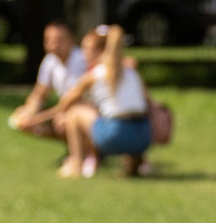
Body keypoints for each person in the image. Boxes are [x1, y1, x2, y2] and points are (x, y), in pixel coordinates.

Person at [57, 24, 154, 178]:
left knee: (74, 113)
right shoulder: (131, 72)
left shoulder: (96, 74)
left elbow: (67, 101)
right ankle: (136, 165)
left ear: (101, 51)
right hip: (144, 136)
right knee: (118, 118)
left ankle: (76, 163)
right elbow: (147, 103)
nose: (84, 55)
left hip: (113, 137)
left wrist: (58, 114)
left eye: (87, 50)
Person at [8, 20, 88, 161]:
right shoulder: (50, 61)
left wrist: (38, 118)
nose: (53, 45)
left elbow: (74, 101)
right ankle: (76, 150)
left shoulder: (81, 60)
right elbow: (39, 93)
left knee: (63, 121)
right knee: (27, 120)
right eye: (48, 40)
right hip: (66, 109)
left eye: (58, 40)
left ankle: (85, 153)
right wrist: (28, 112)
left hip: (86, 110)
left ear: (72, 40)